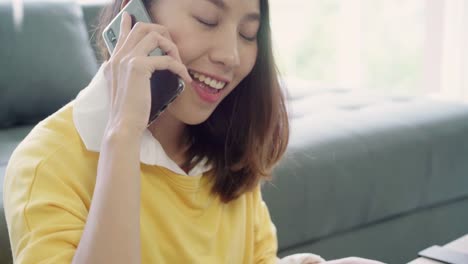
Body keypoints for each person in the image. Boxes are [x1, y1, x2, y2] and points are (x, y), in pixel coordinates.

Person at [3, 0, 385, 263]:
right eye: (206, 18)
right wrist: (122, 135)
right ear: (133, 17)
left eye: (248, 34)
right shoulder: (47, 163)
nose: (230, 55)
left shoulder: (227, 142)